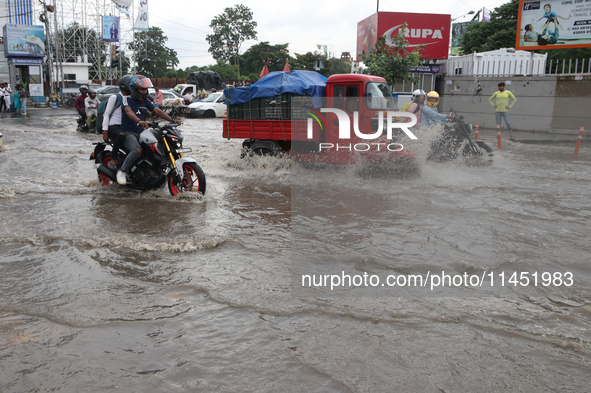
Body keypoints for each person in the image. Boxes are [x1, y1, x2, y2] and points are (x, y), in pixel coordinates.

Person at [116, 75, 182, 185]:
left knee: (156, 146)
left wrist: (172, 120)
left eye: (146, 89)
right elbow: (128, 112)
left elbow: (157, 110)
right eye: (142, 89)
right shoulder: (126, 99)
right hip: (129, 132)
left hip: (142, 132)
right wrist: (139, 121)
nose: (144, 91)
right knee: (137, 150)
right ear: (134, 89)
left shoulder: (145, 100)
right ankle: (122, 171)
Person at [102, 75, 132, 170]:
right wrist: (105, 131)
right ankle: (113, 160)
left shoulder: (132, 98)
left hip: (126, 126)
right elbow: (106, 114)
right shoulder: (115, 97)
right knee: (121, 135)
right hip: (114, 126)